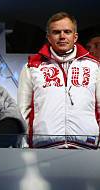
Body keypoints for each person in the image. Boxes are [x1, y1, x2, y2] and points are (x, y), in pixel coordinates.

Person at [18, 12, 99, 149]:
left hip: (87, 147)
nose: (62, 36)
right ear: (48, 37)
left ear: (75, 36)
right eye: (56, 32)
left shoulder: (94, 66)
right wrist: (25, 145)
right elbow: (23, 111)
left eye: (67, 31)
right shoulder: (32, 66)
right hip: (43, 148)